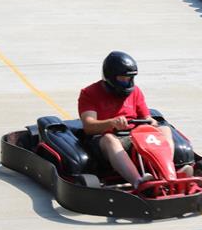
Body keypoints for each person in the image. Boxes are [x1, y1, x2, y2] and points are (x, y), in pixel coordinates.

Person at [78, 51, 186, 188]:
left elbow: (146, 117)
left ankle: (169, 175)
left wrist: (151, 122)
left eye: (129, 78)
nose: (127, 81)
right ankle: (138, 182)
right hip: (104, 139)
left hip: (134, 135)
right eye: (122, 78)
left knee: (164, 129)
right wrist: (112, 123)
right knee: (110, 139)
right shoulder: (89, 93)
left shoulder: (135, 91)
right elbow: (88, 126)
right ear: (110, 76)